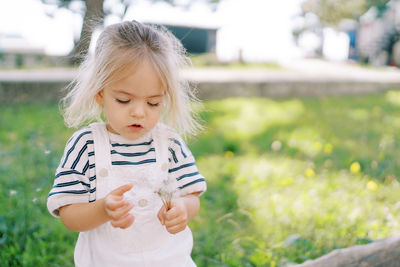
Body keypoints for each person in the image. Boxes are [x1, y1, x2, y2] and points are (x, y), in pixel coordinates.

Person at [47, 20, 206, 267]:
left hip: (168, 260)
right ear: (100, 93)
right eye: (124, 100)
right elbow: (68, 213)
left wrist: (183, 209)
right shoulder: (85, 146)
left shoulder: (170, 144)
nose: (139, 113)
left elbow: (191, 194)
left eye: (153, 103)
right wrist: (102, 211)